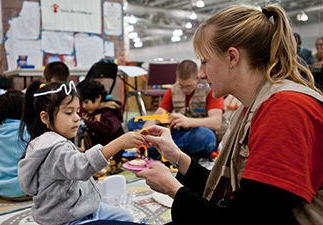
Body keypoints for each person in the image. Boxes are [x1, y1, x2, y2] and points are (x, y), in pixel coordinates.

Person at [136, 4, 323, 225]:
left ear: (232, 57)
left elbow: (240, 220)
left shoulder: (285, 110)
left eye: (205, 60)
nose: (202, 73)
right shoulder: (255, 105)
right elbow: (233, 194)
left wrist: (172, 187)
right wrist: (177, 156)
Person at [17, 80, 144, 225]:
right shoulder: (56, 148)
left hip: (84, 209)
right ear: (45, 117)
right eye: (69, 112)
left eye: (77, 111)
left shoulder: (45, 141)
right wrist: (119, 143)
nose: (77, 117)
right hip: (69, 218)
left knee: (126, 218)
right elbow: (83, 167)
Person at [128, 59, 225, 160]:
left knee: (206, 136)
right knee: (133, 122)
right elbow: (157, 116)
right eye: (181, 85)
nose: (184, 90)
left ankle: (165, 149)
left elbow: (216, 122)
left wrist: (188, 121)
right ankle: (170, 149)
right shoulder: (173, 90)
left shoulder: (210, 89)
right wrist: (144, 133)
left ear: (197, 78)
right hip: (177, 133)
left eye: (188, 86)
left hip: (195, 134)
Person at [76, 80, 125, 165]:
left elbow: (109, 128)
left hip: (110, 156)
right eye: (82, 102)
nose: (83, 106)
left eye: (86, 102)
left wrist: (85, 122)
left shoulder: (110, 111)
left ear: (98, 97)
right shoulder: (88, 111)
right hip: (93, 153)